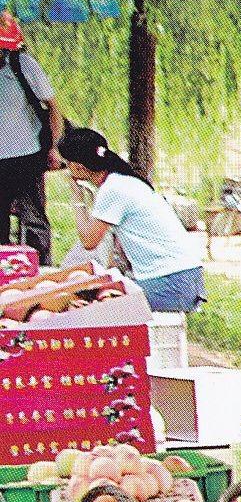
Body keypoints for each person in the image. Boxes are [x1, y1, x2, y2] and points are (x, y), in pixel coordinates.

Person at [56, 127, 204, 312]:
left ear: (77, 167)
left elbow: (89, 241)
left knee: (88, 306)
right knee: (95, 293)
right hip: (184, 279)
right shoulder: (123, 180)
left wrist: (77, 198)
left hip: (171, 284)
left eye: (67, 164)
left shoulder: (113, 189)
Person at [0, 17, 60, 262]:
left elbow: (54, 108)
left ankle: (41, 272)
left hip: (27, 156)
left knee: (33, 219)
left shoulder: (24, 66)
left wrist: (55, 147)